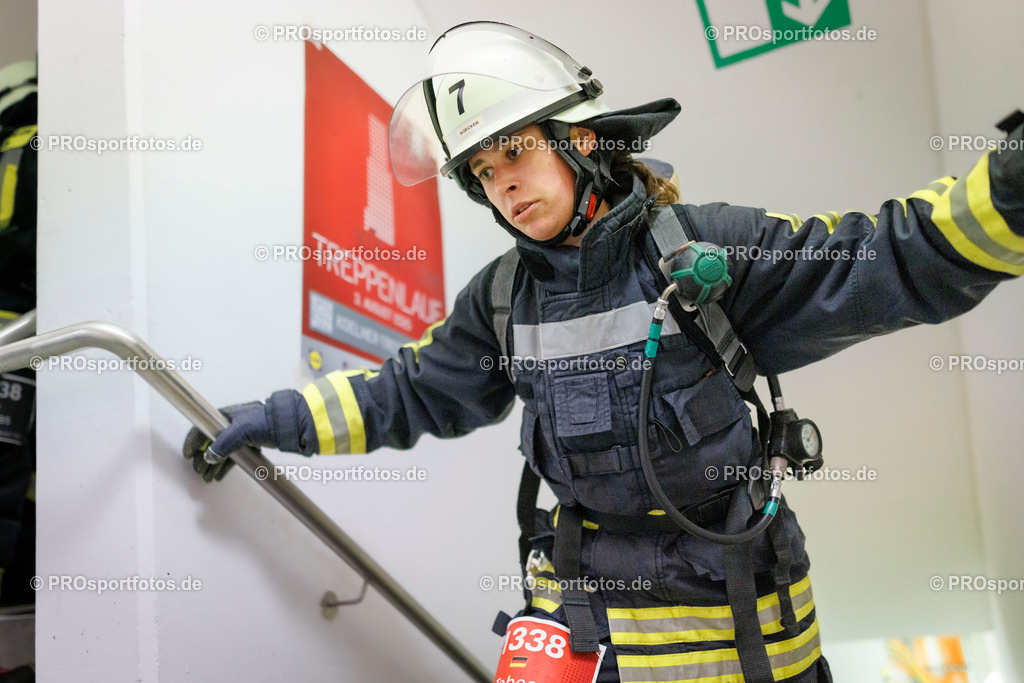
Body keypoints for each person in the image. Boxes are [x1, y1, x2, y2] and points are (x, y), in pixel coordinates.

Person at [182, 22, 1023, 683]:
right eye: (480, 168)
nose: (501, 181)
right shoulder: (502, 298)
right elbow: (405, 394)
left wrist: (1008, 193)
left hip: (739, 639)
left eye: (514, 149)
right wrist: (269, 419)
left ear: (582, 141)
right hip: (588, 634)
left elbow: (884, 260)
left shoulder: (702, 249)